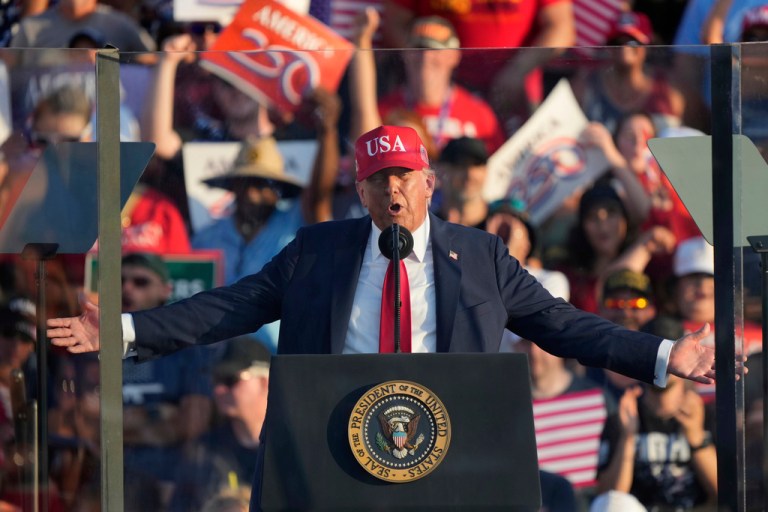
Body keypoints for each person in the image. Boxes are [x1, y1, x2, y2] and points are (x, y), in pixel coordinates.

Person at [48, 125, 726, 507]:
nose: (393, 189)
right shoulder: (316, 253)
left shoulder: (481, 258)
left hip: (453, 459)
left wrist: (665, 356)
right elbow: (228, 308)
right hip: (337, 461)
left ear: (429, 183)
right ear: (361, 190)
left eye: (404, 176)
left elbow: (563, 323)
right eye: (379, 179)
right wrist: (124, 331)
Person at [170, 337, 270, 512]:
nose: (219, 390)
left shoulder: (292, 447)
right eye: (216, 380)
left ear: (265, 382)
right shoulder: (203, 451)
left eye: (230, 380)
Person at [595, 376, 718, 510]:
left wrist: (696, 436)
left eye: (670, 363)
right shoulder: (622, 418)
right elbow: (608, 499)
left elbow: (724, 492)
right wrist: (627, 438)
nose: (663, 368)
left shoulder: (709, 417)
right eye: (658, 363)